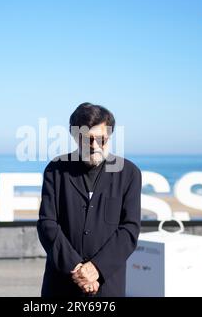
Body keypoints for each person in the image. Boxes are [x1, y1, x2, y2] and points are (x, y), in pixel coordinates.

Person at [37, 102, 142, 297]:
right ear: (75, 137)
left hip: (107, 286)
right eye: (87, 140)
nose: (94, 146)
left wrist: (96, 269)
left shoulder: (129, 174)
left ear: (109, 136)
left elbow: (129, 230)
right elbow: (47, 224)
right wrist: (77, 269)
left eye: (101, 139)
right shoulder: (55, 170)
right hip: (60, 285)